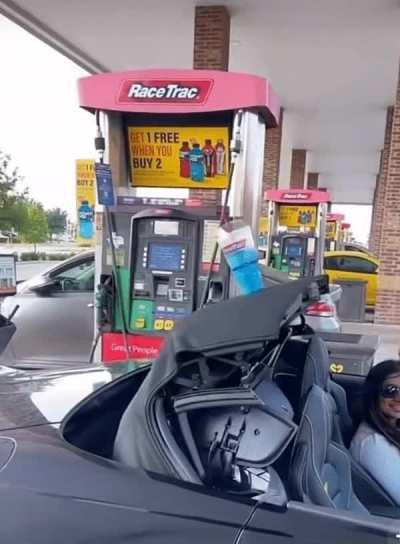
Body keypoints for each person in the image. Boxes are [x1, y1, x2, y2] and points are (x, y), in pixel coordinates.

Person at [350, 360, 400, 503]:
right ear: (373, 393)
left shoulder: (389, 427)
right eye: (390, 390)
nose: (398, 398)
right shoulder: (372, 444)